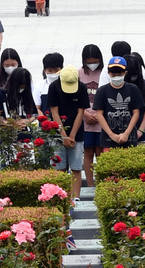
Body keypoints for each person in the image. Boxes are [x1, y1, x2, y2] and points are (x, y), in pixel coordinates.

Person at [48, 65, 89, 201]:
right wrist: (64, 136)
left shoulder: (82, 88)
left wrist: (72, 136)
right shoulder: (53, 87)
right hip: (57, 133)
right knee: (59, 168)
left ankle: (75, 197)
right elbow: (54, 113)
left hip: (76, 134)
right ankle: (60, 196)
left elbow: (80, 113)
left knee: (76, 167)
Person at [94, 56, 143, 149]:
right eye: (113, 73)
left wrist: (126, 133)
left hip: (129, 138)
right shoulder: (102, 91)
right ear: (108, 73)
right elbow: (99, 114)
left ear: (125, 73)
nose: (116, 76)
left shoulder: (133, 89)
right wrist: (111, 134)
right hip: (108, 139)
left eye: (119, 73)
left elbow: (136, 113)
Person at [78, 44, 104, 187]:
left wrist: (100, 115)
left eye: (95, 62)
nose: (92, 65)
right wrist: (85, 114)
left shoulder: (105, 73)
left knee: (100, 151)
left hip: (102, 120)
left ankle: (101, 183)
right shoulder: (79, 73)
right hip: (85, 120)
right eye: (89, 62)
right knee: (88, 151)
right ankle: (90, 185)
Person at [0, 66, 37, 138]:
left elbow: (34, 114)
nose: (21, 89)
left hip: (26, 135)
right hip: (6, 136)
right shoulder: (0, 95)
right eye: (19, 87)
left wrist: (27, 121)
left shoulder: (26, 94)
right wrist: (12, 124)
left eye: (23, 87)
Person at [125, 53, 145, 142]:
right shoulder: (116, 86)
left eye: (135, 74)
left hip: (142, 133)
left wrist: (141, 130)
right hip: (121, 133)